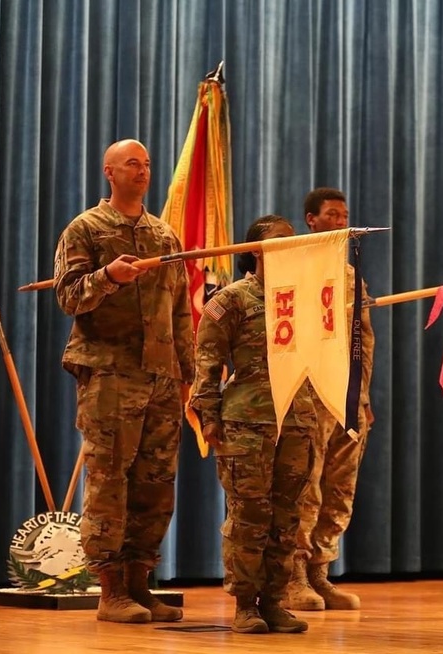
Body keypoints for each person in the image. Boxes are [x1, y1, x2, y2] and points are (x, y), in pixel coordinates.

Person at [54, 139, 193, 624]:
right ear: (109, 172)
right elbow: (68, 296)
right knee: (110, 482)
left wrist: (187, 375)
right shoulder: (85, 229)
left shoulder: (165, 238)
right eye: (132, 164)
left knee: (155, 487)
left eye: (148, 164)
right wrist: (107, 277)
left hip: (161, 377)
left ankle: (140, 584)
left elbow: (180, 312)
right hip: (110, 374)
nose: (143, 171)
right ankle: (110, 591)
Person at [191, 215, 317, 634]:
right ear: (255, 250)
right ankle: (246, 604)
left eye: (292, 240)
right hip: (247, 423)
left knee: (286, 518)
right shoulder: (232, 301)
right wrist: (209, 418)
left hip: (296, 421)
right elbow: (207, 366)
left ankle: (275, 601)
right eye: (280, 241)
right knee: (249, 516)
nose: (290, 246)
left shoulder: (308, 300)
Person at [283, 187, 375, 611]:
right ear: (311, 220)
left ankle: (321, 570)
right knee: (307, 486)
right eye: (332, 215)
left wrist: (363, 395)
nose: (341, 221)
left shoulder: (352, 276)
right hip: (310, 397)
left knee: (340, 488)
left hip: (348, 396)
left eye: (345, 214)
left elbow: (364, 342)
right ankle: (294, 574)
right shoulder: (293, 269)